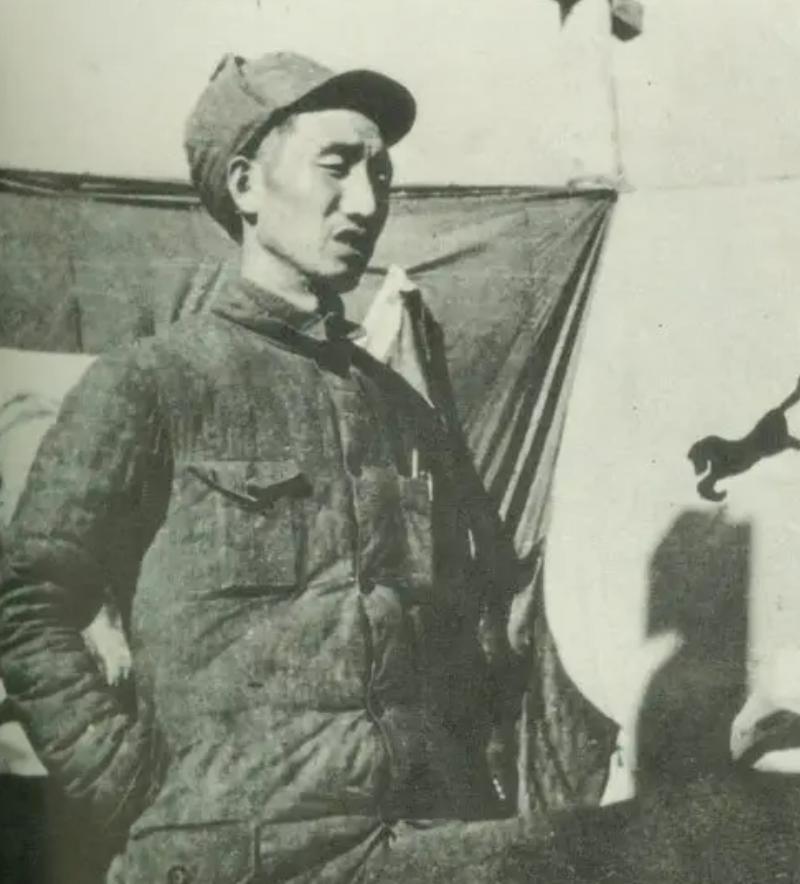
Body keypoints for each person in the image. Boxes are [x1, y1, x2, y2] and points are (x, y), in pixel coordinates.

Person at [0, 52, 558, 884]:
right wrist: (130, 790)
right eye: (337, 166)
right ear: (245, 185)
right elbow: (26, 603)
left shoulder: (401, 409)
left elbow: (459, 629)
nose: (366, 202)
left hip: (423, 848)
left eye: (381, 175)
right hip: (237, 861)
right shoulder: (152, 384)